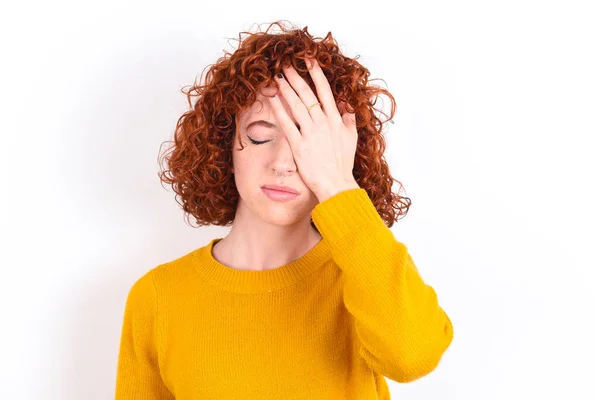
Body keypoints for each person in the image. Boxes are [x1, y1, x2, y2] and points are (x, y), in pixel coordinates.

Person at [114, 20, 454, 400]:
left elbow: (413, 356)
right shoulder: (158, 297)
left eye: (306, 139)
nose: (283, 162)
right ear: (224, 141)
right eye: (261, 134)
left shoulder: (362, 280)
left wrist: (337, 184)